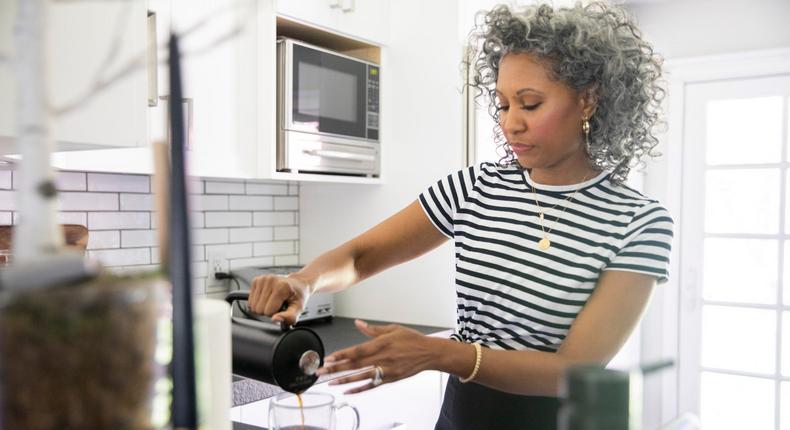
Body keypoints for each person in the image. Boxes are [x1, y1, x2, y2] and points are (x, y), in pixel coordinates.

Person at [248, 2, 673, 429]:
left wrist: (438, 353)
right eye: (504, 105)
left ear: (588, 101)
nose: (511, 124)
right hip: (462, 417)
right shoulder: (475, 187)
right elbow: (360, 257)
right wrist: (305, 281)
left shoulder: (639, 223)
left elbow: (574, 369)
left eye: (530, 104)